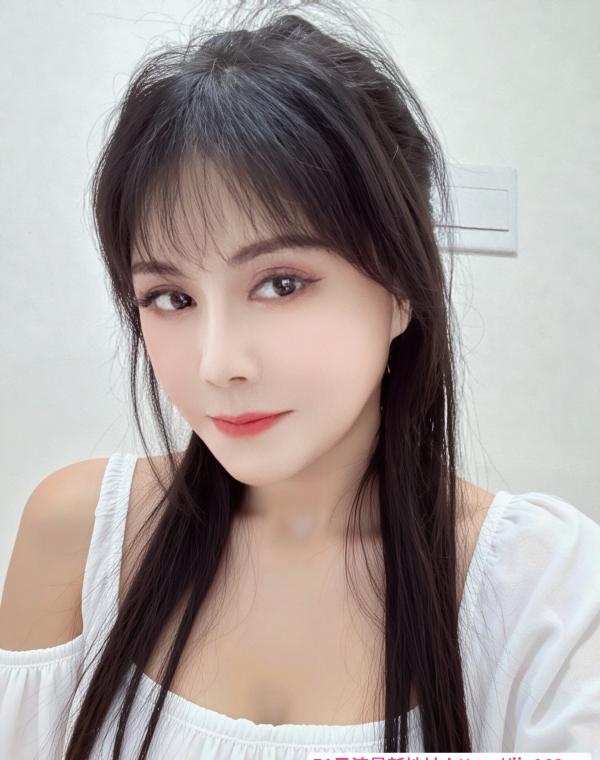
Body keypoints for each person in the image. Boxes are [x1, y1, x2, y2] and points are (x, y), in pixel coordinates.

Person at [1, 2, 599, 758]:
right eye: (171, 298)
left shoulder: (541, 590)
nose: (218, 364)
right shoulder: (80, 534)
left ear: (402, 287)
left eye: (280, 284)